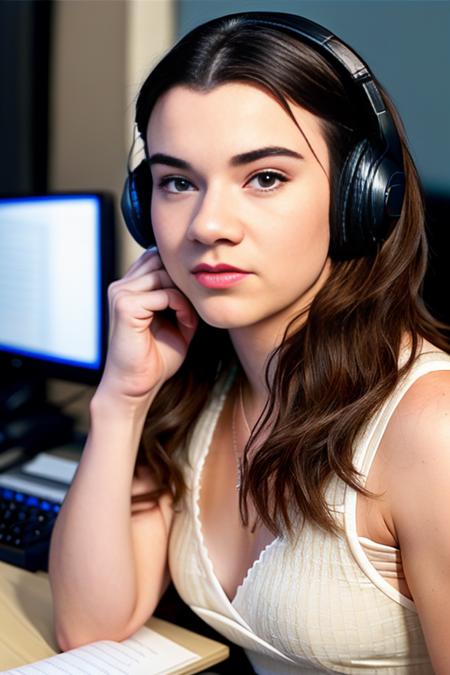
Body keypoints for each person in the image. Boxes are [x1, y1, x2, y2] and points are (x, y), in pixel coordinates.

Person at [48, 11, 450, 674]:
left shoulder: (428, 429)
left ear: (361, 198)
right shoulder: (199, 384)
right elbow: (90, 624)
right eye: (177, 181)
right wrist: (121, 398)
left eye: (264, 177)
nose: (207, 225)